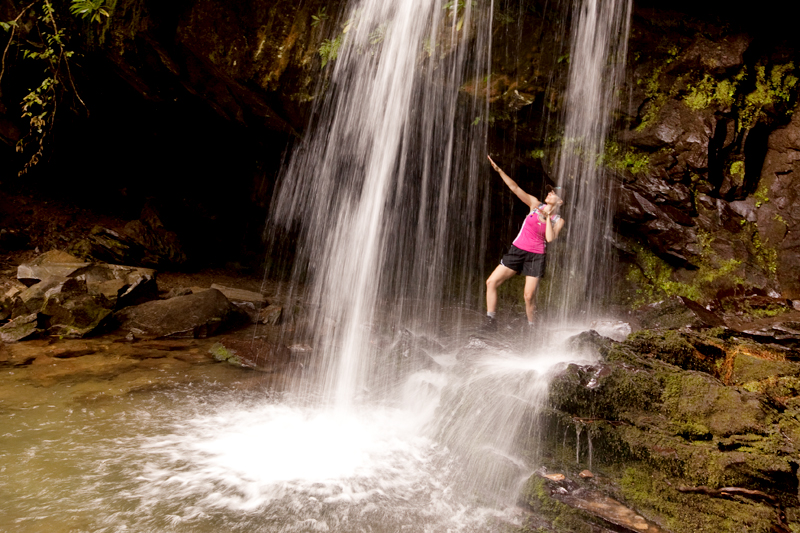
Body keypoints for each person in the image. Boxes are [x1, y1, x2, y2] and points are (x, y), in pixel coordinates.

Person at [485, 154, 565, 328]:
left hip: (536, 256)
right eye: (550, 191)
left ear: (560, 201)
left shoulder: (558, 220)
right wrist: (499, 171)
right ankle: (491, 321)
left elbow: (550, 239)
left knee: (528, 296)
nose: (549, 193)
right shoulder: (534, 204)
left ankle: (532, 328)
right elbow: (514, 187)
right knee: (491, 282)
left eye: (553, 193)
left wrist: (549, 217)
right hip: (518, 250)